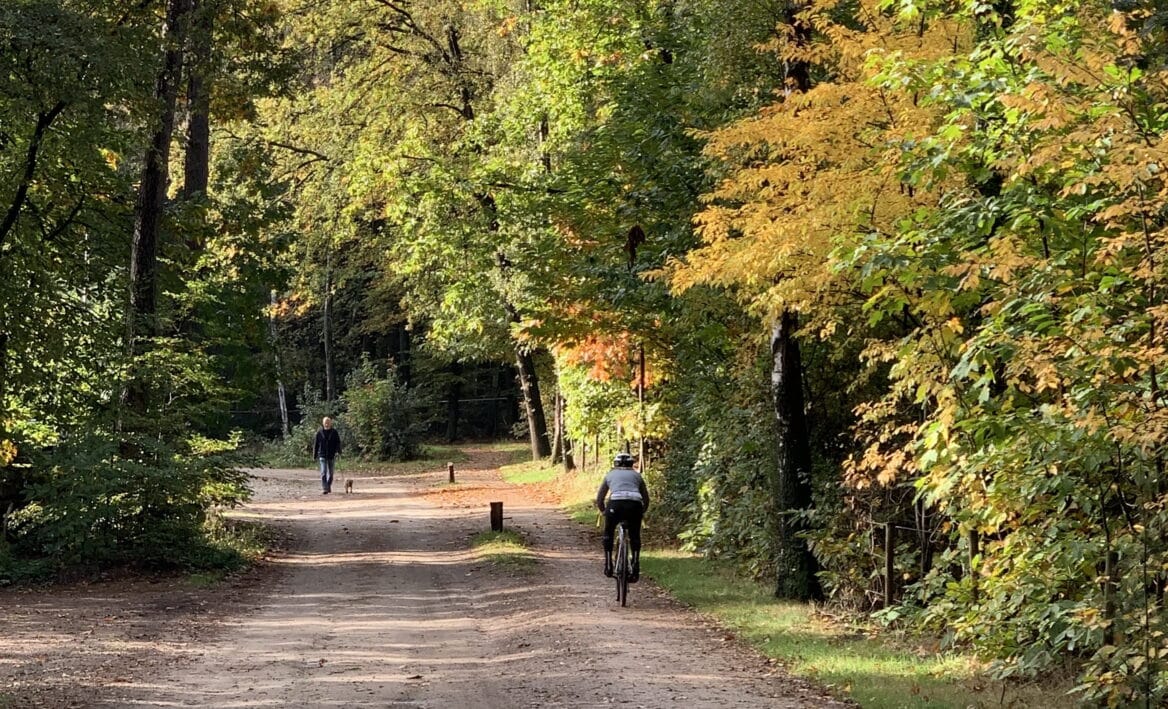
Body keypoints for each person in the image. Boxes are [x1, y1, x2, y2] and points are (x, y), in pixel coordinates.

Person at [595, 452, 649, 582]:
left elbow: (600, 498)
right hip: (634, 505)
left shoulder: (610, 475)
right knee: (635, 535)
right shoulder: (637, 475)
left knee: (608, 532)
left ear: (615, 464)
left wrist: (604, 511)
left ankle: (608, 564)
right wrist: (642, 512)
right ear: (631, 464)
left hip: (615, 505)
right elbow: (646, 498)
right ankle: (635, 563)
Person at [313, 416, 342, 494]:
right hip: (322, 455)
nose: (327, 424)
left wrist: (339, 452)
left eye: (328, 422)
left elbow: (338, 443)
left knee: (331, 473)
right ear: (323, 423)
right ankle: (325, 488)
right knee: (323, 472)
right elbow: (316, 445)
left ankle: (328, 485)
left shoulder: (334, 432)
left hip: (331, 455)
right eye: (325, 422)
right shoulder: (319, 433)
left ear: (330, 423)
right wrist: (314, 455)